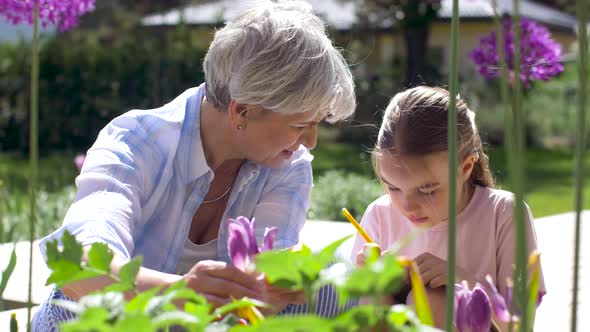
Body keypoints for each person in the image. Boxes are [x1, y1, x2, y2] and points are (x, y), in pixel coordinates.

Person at [32, 0, 355, 330]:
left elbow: (263, 286)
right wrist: (174, 294)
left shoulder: (288, 166)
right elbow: (76, 264)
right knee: (79, 304)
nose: (311, 141)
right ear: (242, 111)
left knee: (336, 283)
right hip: (113, 323)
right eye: (301, 125)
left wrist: (270, 288)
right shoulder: (137, 142)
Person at [351, 86, 545, 330]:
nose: (408, 206)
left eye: (428, 190)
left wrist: (462, 281)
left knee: (433, 301)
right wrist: (368, 281)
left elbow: (520, 325)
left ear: (465, 168)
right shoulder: (380, 215)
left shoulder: (504, 214)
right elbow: (351, 314)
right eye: (393, 188)